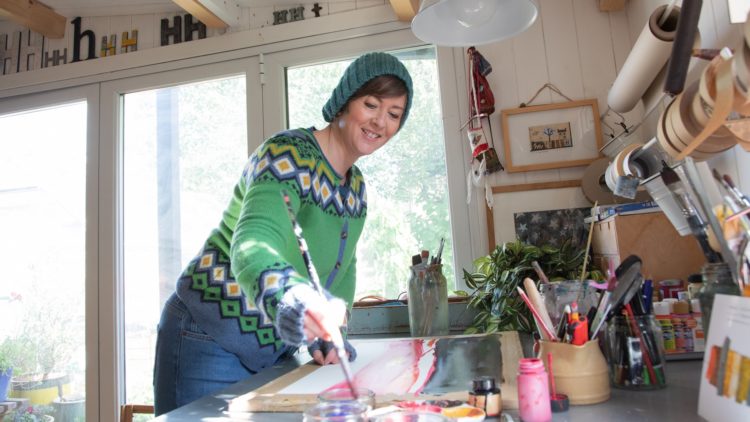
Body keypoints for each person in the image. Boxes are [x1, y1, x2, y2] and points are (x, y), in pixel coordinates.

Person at [153, 51, 414, 416]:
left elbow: (343, 270)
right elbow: (254, 242)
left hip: (272, 347)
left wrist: (330, 333)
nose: (380, 122)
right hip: (208, 333)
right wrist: (293, 298)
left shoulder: (355, 188)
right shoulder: (289, 154)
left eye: (394, 115)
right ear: (343, 102)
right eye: (371, 104)